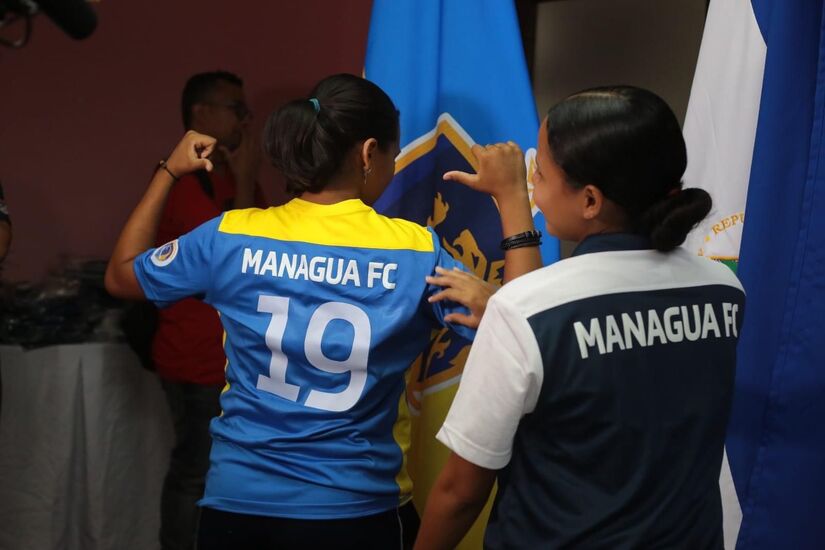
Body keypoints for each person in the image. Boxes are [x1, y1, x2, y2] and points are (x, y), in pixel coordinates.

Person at [104, 73, 537, 550]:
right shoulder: (414, 252)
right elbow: (525, 335)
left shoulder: (231, 235)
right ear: (368, 154)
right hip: (355, 508)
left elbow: (121, 276)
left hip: (237, 506)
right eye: (392, 156)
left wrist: (168, 171)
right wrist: (513, 199)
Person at [415, 86, 746, 549]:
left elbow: (460, 493)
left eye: (540, 172)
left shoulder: (526, 312)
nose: (533, 185)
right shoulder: (725, 289)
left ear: (590, 200)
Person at [151, 70, 264, 550]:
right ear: (200, 115)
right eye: (236, 109)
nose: (246, 120)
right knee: (195, 473)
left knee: (222, 475)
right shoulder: (182, 183)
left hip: (229, 358)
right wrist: (247, 180)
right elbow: (231, 260)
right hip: (195, 357)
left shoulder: (228, 176)